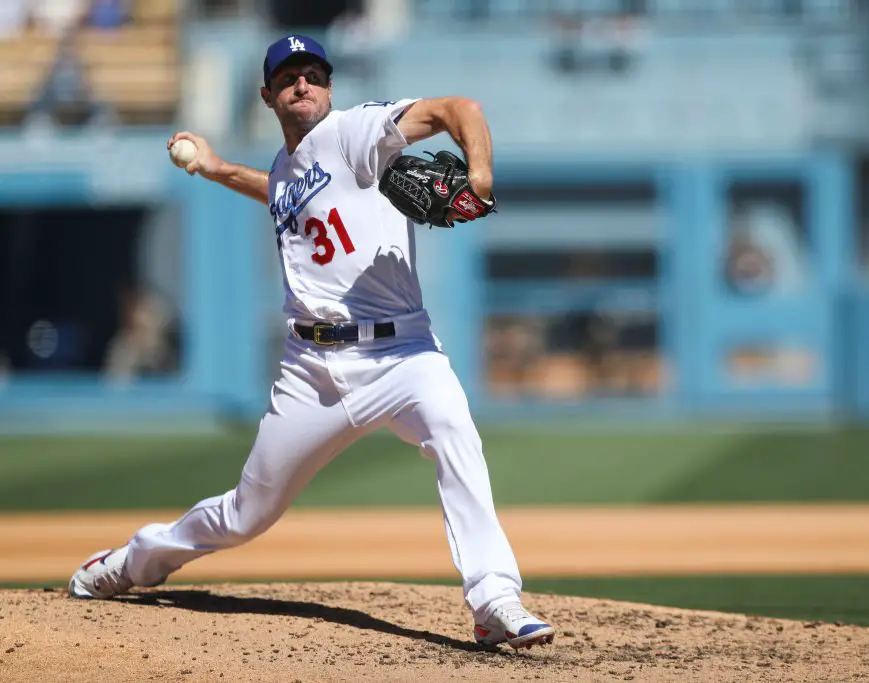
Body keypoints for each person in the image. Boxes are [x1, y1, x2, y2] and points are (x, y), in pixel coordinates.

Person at [67, 34, 556, 651]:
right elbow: (276, 188)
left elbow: (460, 109)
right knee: (247, 514)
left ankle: (493, 599)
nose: (304, 84)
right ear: (268, 94)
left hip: (400, 354)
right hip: (310, 371)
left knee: (453, 427)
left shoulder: (355, 133)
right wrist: (217, 169)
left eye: (315, 74)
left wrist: (479, 177)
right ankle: (134, 562)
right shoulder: (287, 166)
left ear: (329, 88)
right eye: (290, 76)